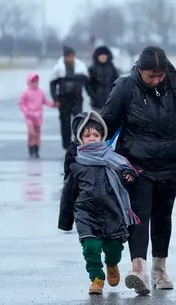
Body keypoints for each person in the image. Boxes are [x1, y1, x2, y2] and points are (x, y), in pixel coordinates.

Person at [98, 45, 176, 295]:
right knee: (140, 215)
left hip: (171, 164)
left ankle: (160, 270)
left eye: (160, 75)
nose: (156, 80)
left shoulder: (175, 84)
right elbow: (107, 123)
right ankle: (138, 269)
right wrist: (84, 145)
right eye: (150, 76)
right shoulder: (125, 87)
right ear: (139, 70)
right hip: (136, 165)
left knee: (163, 215)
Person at [58, 110, 139, 294]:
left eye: (96, 134)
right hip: (86, 213)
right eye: (87, 136)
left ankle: (112, 263)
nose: (92, 138)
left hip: (112, 212)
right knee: (90, 247)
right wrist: (65, 219)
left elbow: (128, 172)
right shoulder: (77, 164)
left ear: (102, 136)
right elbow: (68, 193)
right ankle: (96, 277)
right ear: (80, 139)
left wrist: (128, 175)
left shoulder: (113, 159)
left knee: (114, 248)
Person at [49, 46, 89, 150]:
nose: (69, 58)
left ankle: (77, 143)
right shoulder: (58, 68)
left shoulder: (80, 67)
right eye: (67, 56)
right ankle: (66, 146)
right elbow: (52, 84)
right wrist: (55, 98)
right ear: (64, 57)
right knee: (65, 124)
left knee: (78, 122)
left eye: (71, 56)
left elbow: (86, 80)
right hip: (63, 100)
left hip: (76, 99)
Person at [18, 72, 57, 158]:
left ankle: (36, 148)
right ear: (29, 82)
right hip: (29, 116)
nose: (35, 83)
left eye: (36, 81)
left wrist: (53, 105)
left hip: (38, 116)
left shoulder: (40, 92)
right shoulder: (26, 93)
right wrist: (26, 111)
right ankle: (31, 148)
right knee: (31, 132)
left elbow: (45, 101)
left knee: (37, 133)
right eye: (33, 81)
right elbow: (21, 103)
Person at [86, 45, 120, 111]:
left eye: (104, 55)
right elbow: (88, 85)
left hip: (110, 102)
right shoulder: (91, 69)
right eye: (101, 55)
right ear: (97, 56)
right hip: (96, 104)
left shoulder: (113, 69)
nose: (103, 57)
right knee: (96, 120)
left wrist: (113, 96)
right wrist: (94, 96)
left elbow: (117, 84)